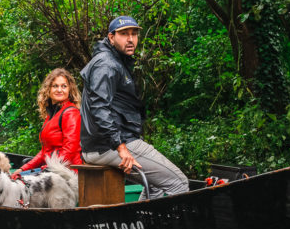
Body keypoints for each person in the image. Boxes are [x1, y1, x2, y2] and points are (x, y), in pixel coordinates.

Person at [80, 15, 189, 199]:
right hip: (109, 145)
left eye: (134, 34)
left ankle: (143, 226)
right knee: (179, 183)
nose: (130, 39)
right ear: (111, 37)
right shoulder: (107, 63)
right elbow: (100, 107)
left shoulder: (115, 60)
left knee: (154, 187)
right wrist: (121, 148)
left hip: (103, 144)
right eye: (124, 34)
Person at [12, 68, 83, 179]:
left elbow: (70, 150)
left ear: (70, 90)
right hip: (53, 169)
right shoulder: (52, 114)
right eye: (55, 86)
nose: (59, 90)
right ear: (48, 89)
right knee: (17, 178)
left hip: (67, 172)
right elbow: (45, 151)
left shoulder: (70, 112)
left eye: (64, 86)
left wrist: (47, 169)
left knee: (22, 186)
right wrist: (23, 169)